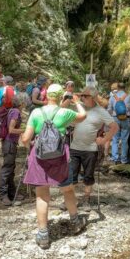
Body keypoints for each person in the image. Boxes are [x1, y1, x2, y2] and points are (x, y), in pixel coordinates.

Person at [21, 83, 87, 249]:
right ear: (60, 97)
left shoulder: (36, 112)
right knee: (67, 189)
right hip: (60, 156)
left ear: (46, 96)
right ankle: (75, 222)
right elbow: (83, 116)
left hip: (39, 155)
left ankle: (43, 235)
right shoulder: (65, 112)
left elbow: (25, 138)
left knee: (42, 194)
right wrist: (77, 101)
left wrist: (28, 148)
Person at [69, 86, 118, 210]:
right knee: (71, 175)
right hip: (74, 147)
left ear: (93, 97)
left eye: (85, 96)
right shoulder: (78, 107)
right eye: (82, 96)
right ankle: (70, 200)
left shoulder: (101, 111)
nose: (82, 98)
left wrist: (104, 140)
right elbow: (63, 112)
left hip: (90, 149)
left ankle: (86, 199)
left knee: (88, 176)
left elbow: (114, 127)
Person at [0, 94, 26, 206]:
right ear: (21, 103)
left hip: (9, 143)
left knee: (11, 168)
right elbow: (11, 129)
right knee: (7, 169)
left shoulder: (11, 111)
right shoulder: (16, 112)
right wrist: (25, 129)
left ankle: (11, 192)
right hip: (9, 143)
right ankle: (3, 194)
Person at [107, 82, 130, 164]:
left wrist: (112, 115)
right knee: (124, 140)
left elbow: (109, 109)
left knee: (115, 139)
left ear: (118, 88)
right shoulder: (128, 96)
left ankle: (115, 158)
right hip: (126, 118)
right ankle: (124, 159)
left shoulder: (113, 97)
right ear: (124, 88)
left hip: (115, 118)